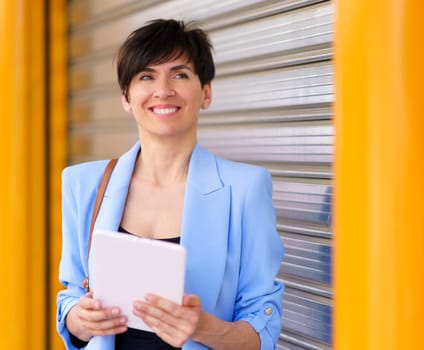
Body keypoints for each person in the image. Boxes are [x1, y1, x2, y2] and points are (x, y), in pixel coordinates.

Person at [57, 19, 284, 350]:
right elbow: (71, 295)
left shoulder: (246, 189)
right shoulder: (82, 183)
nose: (163, 90)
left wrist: (205, 328)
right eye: (146, 76)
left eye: (180, 74)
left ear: (206, 92)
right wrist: (79, 319)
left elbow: (264, 329)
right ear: (126, 96)